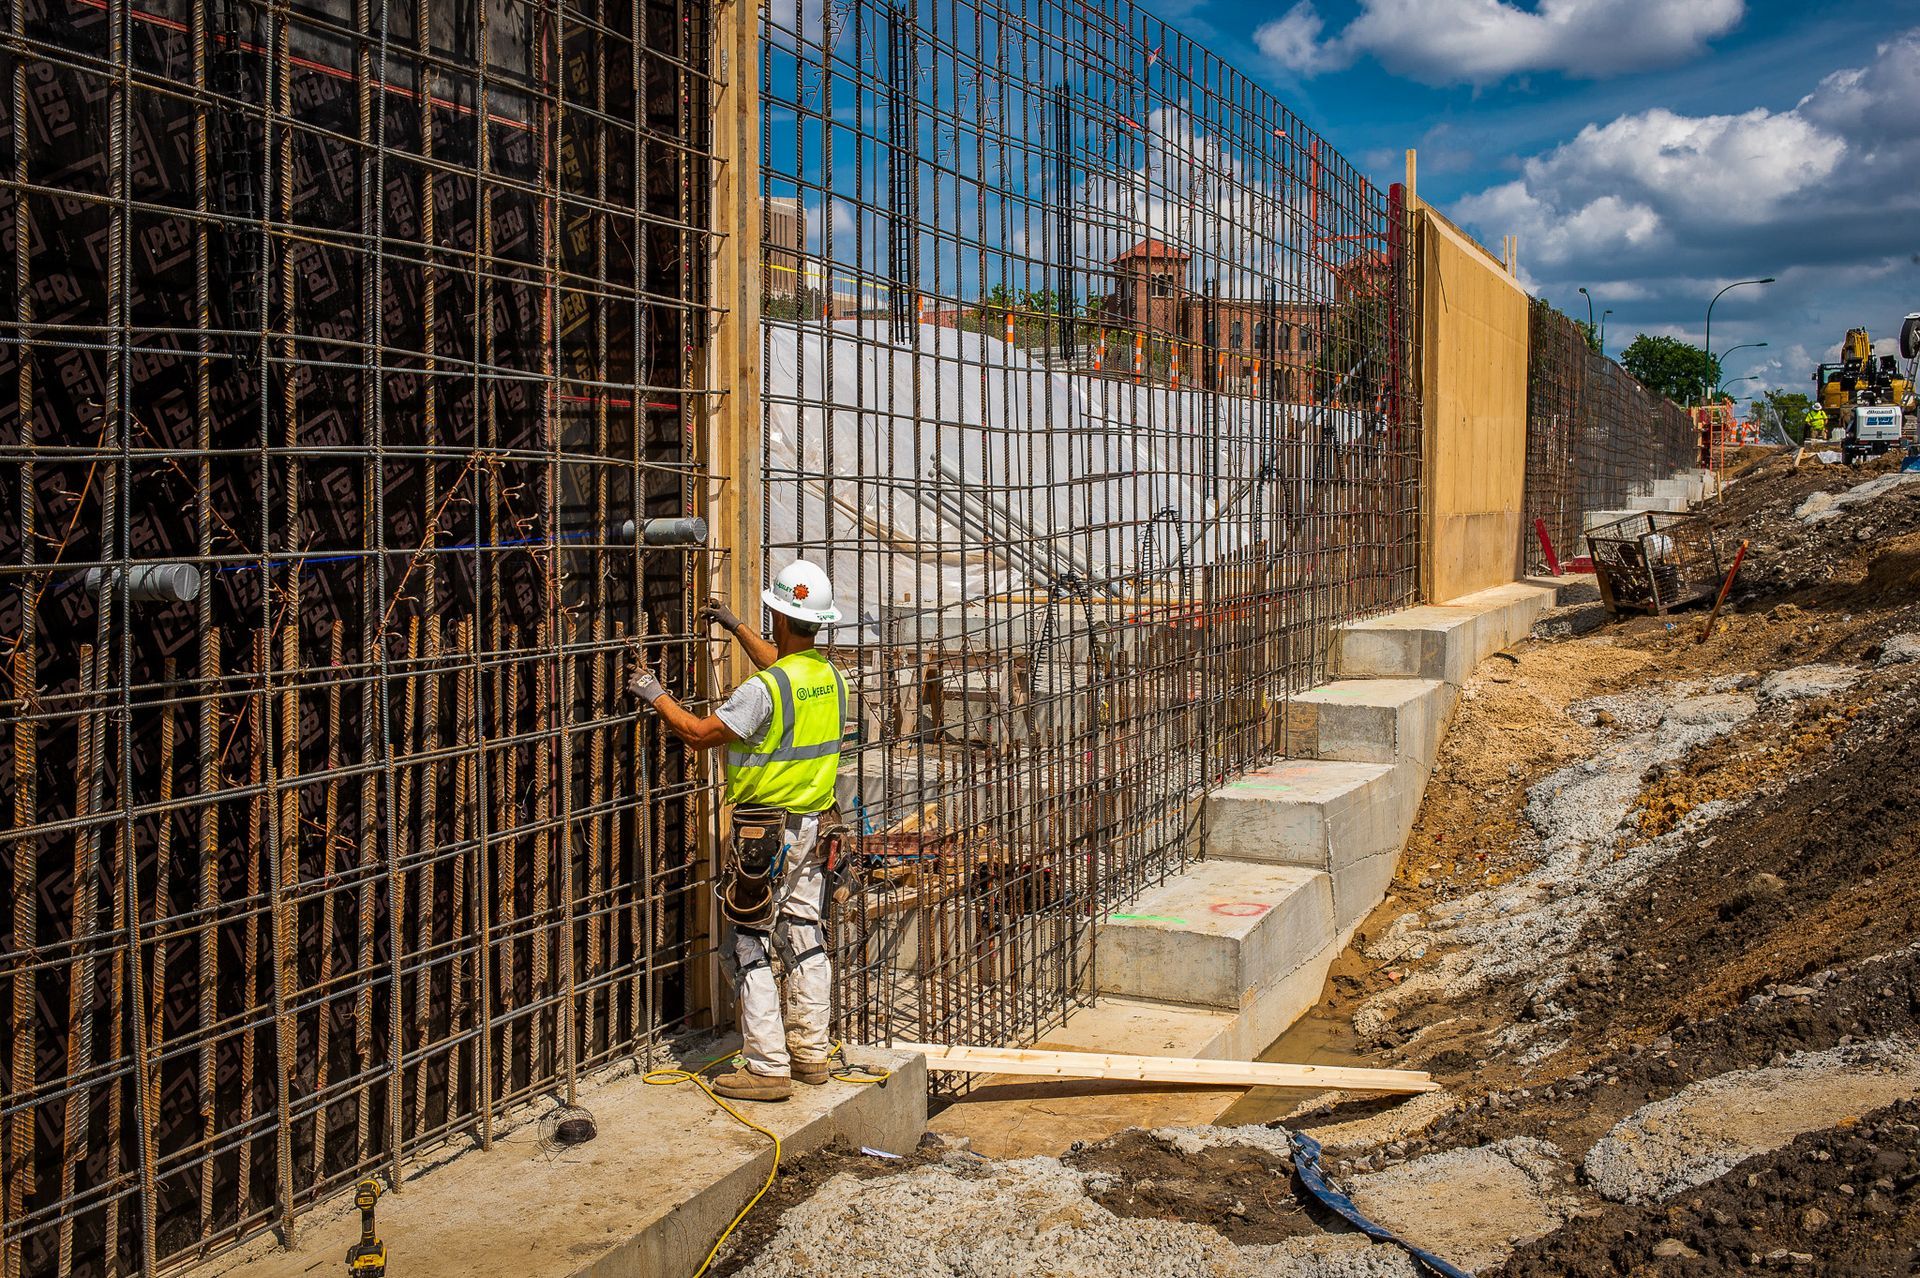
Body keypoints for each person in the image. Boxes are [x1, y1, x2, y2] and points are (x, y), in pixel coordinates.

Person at [627, 560, 847, 1101]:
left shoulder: (763, 690)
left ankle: (767, 1066)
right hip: (813, 825)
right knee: (804, 935)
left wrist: (653, 692)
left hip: (765, 836)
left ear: (780, 615)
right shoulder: (829, 676)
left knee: (746, 941)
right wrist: (734, 624)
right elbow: (780, 666)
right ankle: (811, 1054)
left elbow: (701, 733)